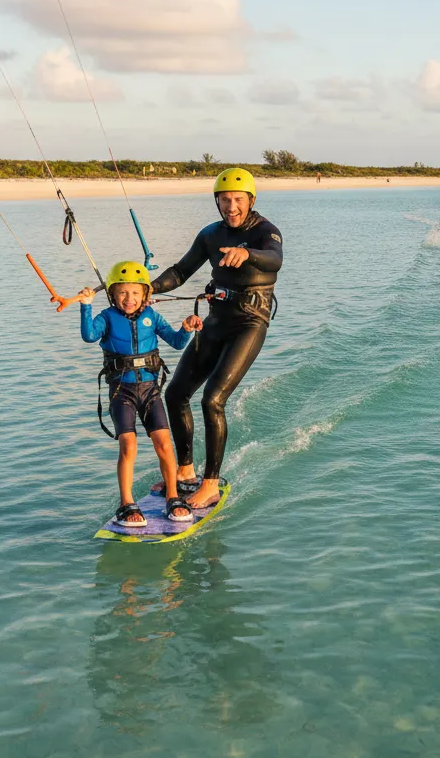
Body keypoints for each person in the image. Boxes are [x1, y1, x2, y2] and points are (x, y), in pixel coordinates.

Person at [150, 168, 283, 510]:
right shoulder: (210, 234)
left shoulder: (266, 232)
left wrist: (247, 254)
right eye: (225, 200)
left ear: (251, 200)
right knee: (176, 393)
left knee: (212, 399)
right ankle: (184, 471)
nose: (231, 206)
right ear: (217, 201)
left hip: (250, 323)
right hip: (216, 320)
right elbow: (180, 272)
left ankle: (209, 484)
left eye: (238, 199)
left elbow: (274, 259)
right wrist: (146, 287)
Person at [69, 261, 203, 527]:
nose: (128, 299)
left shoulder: (152, 316)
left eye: (134, 293)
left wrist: (187, 328)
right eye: (122, 293)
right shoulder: (106, 317)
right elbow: (88, 336)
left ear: (145, 294)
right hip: (122, 392)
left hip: (150, 390)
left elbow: (176, 342)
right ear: (112, 294)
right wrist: (85, 305)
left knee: (164, 444)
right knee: (128, 446)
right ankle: (127, 503)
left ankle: (173, 497)